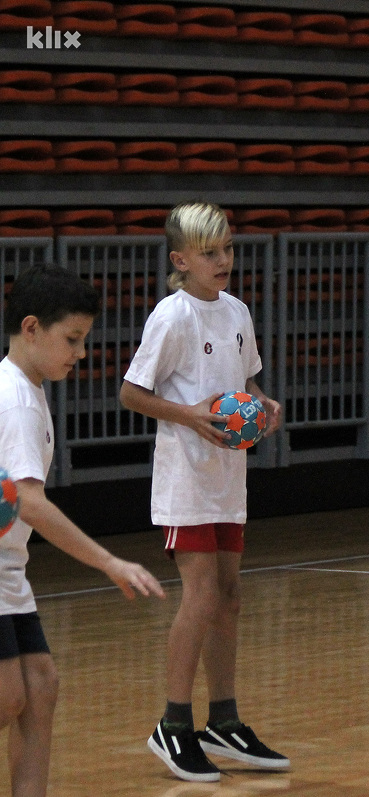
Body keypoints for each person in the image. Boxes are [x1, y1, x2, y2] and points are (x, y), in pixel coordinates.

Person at [120, 202, 286, 782]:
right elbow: (131, 393)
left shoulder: (237, 311)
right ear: (181, 260)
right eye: (210, 252)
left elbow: (244, 380)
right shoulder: (172, 316)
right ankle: (173, 724)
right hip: (185, 480)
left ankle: (224, 720)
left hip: (227, 478)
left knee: (229, 595)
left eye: (228, 249)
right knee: (201, 596)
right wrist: (189, 415)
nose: (224, 260)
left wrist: (261, 403)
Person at [0, 264, 165, 797]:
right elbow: (29, 502)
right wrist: (109, 562)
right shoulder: (15, 400)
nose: (82, 352)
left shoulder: (25, 389)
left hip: (9, 571)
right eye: (71, 339)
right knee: (8, 697)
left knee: (39, 688)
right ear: (31, 328)